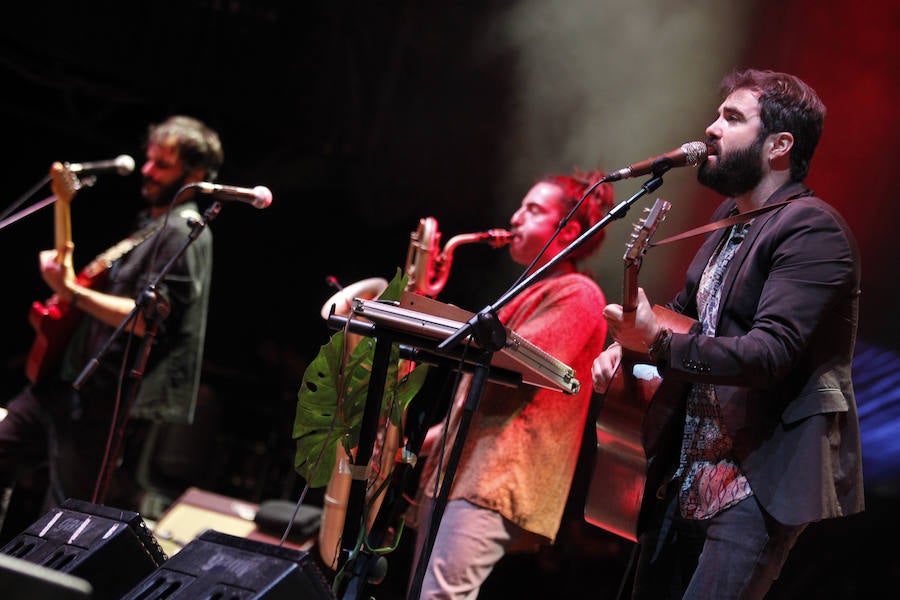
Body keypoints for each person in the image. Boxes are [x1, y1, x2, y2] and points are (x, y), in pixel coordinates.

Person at [591, 68, 864, 599]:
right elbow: (686, 312)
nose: (711, 128)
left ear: (779, 146)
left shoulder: (813, 229)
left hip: (755, 479)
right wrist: (626, 349)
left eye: (733, 118)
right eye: (717, 115)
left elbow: (768, 354)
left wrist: (658, 344)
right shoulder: (732, 218)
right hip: (686, 470)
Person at [0, 115, 224, 535]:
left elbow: (146, 320)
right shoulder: (150, 226)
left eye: (163, 165)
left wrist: (73, 294)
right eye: (149, 160)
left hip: (99, 399)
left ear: (195, 175)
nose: (148, 170)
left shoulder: (184, 232)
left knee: (63, 520)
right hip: (60, 383)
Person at [408, 169, 614, 598]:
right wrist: (410, 444)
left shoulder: (579, 293)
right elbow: (480, 404)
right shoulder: (525, 292)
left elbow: (513, 372)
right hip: (464, 474)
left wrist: (430, 321)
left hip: (495, 477)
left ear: (568, 230)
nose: (516, 217)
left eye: (533, 210)